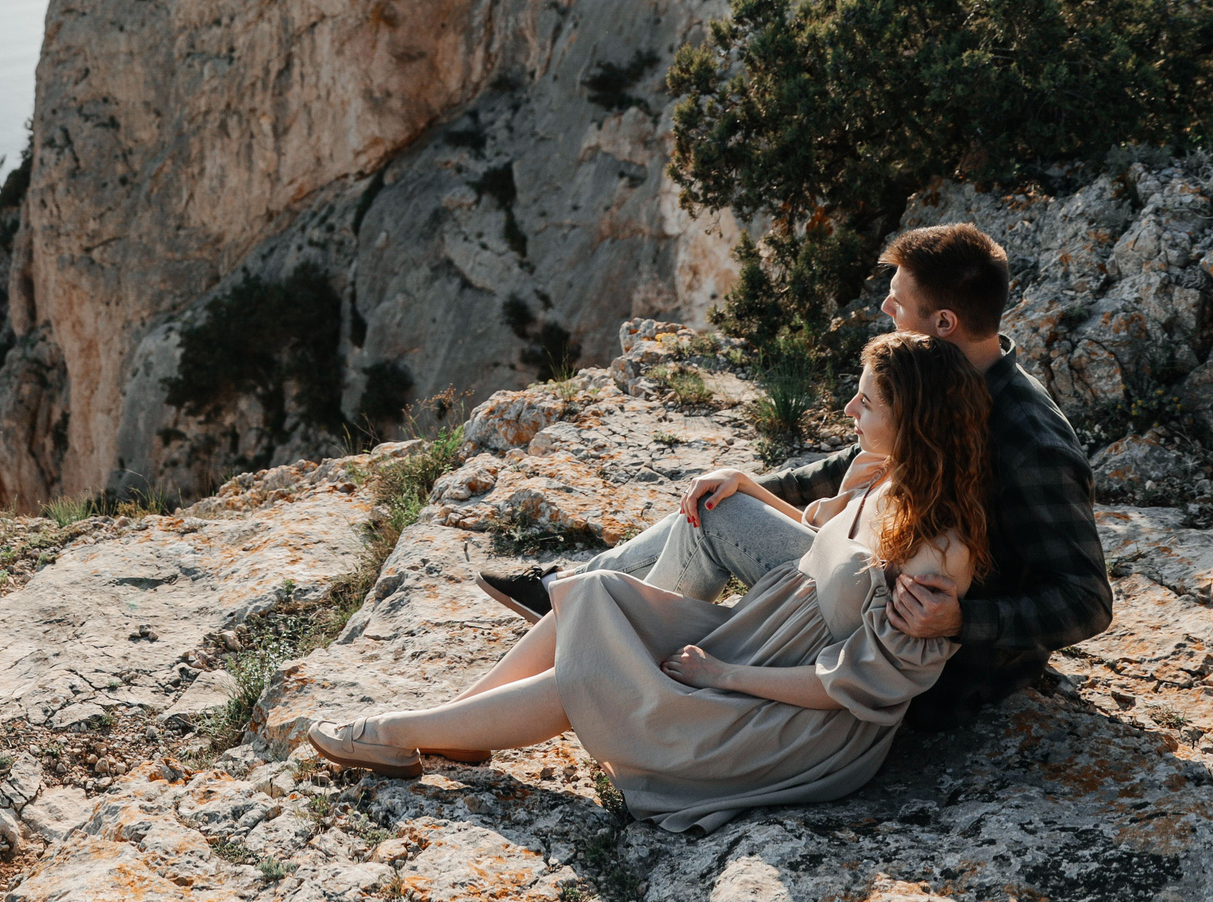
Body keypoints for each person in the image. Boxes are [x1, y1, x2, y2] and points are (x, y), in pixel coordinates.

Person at [307, 331, 991, 830]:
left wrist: (723, 674)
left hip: (798, 719)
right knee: (596, 594)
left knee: (597, 673)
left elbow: (854, 686)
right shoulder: (879, 475)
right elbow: (823, 551)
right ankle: (460, 721)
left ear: (912, 420)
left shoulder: (938, 554)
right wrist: (752, 486)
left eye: (865, 402)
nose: (848, 411)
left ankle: (404, 732)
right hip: (767, 637)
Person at [474, 222, 1110, 730]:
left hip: (920, 653)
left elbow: (1086, 598)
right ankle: (583, 592)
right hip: (869, 580)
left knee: (717, 518)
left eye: (901, 298)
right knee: (721, 502)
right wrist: (754, 484)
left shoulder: (1030, 441)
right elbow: (848, 469)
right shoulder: (944, 381)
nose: (886, 304)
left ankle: (602, 623)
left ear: (944, 323)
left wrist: (961, 623)